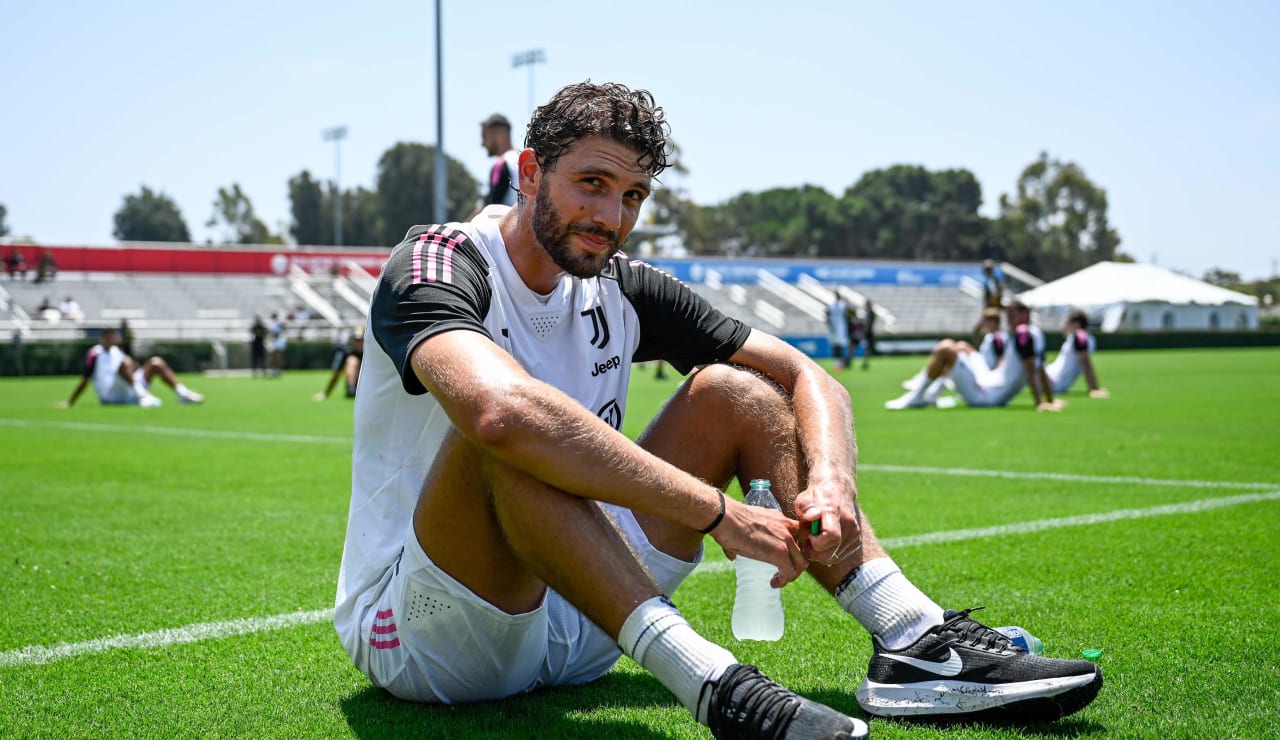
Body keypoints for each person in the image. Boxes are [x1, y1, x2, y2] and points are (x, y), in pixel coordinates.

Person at [334, 81, 1101, 739]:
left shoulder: (620, 284)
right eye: (592, 183)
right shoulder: (439, 260)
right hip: (435, 632)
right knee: (516, 433)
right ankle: (718, 688)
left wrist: (831, 480)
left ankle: (913, 637)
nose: (611, 214)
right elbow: (501, 415)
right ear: (531, 173)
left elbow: (808, 376)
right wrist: (718, 513)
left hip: (585, 615)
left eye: (633, 195)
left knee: (738, 394)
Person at [886, 301, 1061, 411]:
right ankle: (928, 393)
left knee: (946, 348)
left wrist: (1039, 403)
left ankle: (916, 396)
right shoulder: (1033, 333)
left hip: (986, 394)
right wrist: (1050, 400)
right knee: (960, 347)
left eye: (1013, 315)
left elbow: (1031, 368)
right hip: (990, 382)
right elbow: (1039, 367)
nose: (1009, 319)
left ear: (1025, 314)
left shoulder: (1023, 333)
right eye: (1008, 316)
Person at [56, 326, 204, 408]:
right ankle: (143, 396)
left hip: (129, 389)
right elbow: (85, 379)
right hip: (110, 394)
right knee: (124, 363)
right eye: (108, 335)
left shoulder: (118, 352)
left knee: (156, 362)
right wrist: (71, 402)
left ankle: (183, 394)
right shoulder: (95, 353)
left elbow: (131, 368)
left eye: (113, 334)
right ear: (103, 337)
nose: (112, 337)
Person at [1046, 309, 1109, 398]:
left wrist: (1094, 388)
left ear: (1076, 324)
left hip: (1054, 382)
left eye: (1067, 322)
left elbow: (1086, 364)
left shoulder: (1080, 336)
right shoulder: (1080, 337)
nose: (1064, 325)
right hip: (1052, 378)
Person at [478, 113, 520, 208]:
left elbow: (491, 204)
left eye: (485, 137)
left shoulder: (500, 164)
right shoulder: (523, 159)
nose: (483, 144)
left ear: (501, 135)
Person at [314, 329, 363, 400]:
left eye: (360, 340)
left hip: (368, 387)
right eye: (356, 340)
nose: (358, 343)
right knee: (352, 361)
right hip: (353, 389)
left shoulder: (369, 352)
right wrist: (326, 393)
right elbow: (336, 375)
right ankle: (352, 387)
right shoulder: (347, 353)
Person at [826, 294, 851, 371]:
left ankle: (840, 363)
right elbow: (827, 316)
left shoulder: (841, 305)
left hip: (840, 329)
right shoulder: (832, 306)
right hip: (835, 329)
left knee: (839, 347)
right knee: (836, 347)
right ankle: (840, 363)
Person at [267, 312, 287, 377]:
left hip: (279, 344)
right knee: (273, 359)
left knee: (278, 359)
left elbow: (278, 332)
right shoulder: (272, 324)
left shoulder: (279, 323)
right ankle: (273, 371)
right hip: (273, 344)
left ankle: (279, 371)